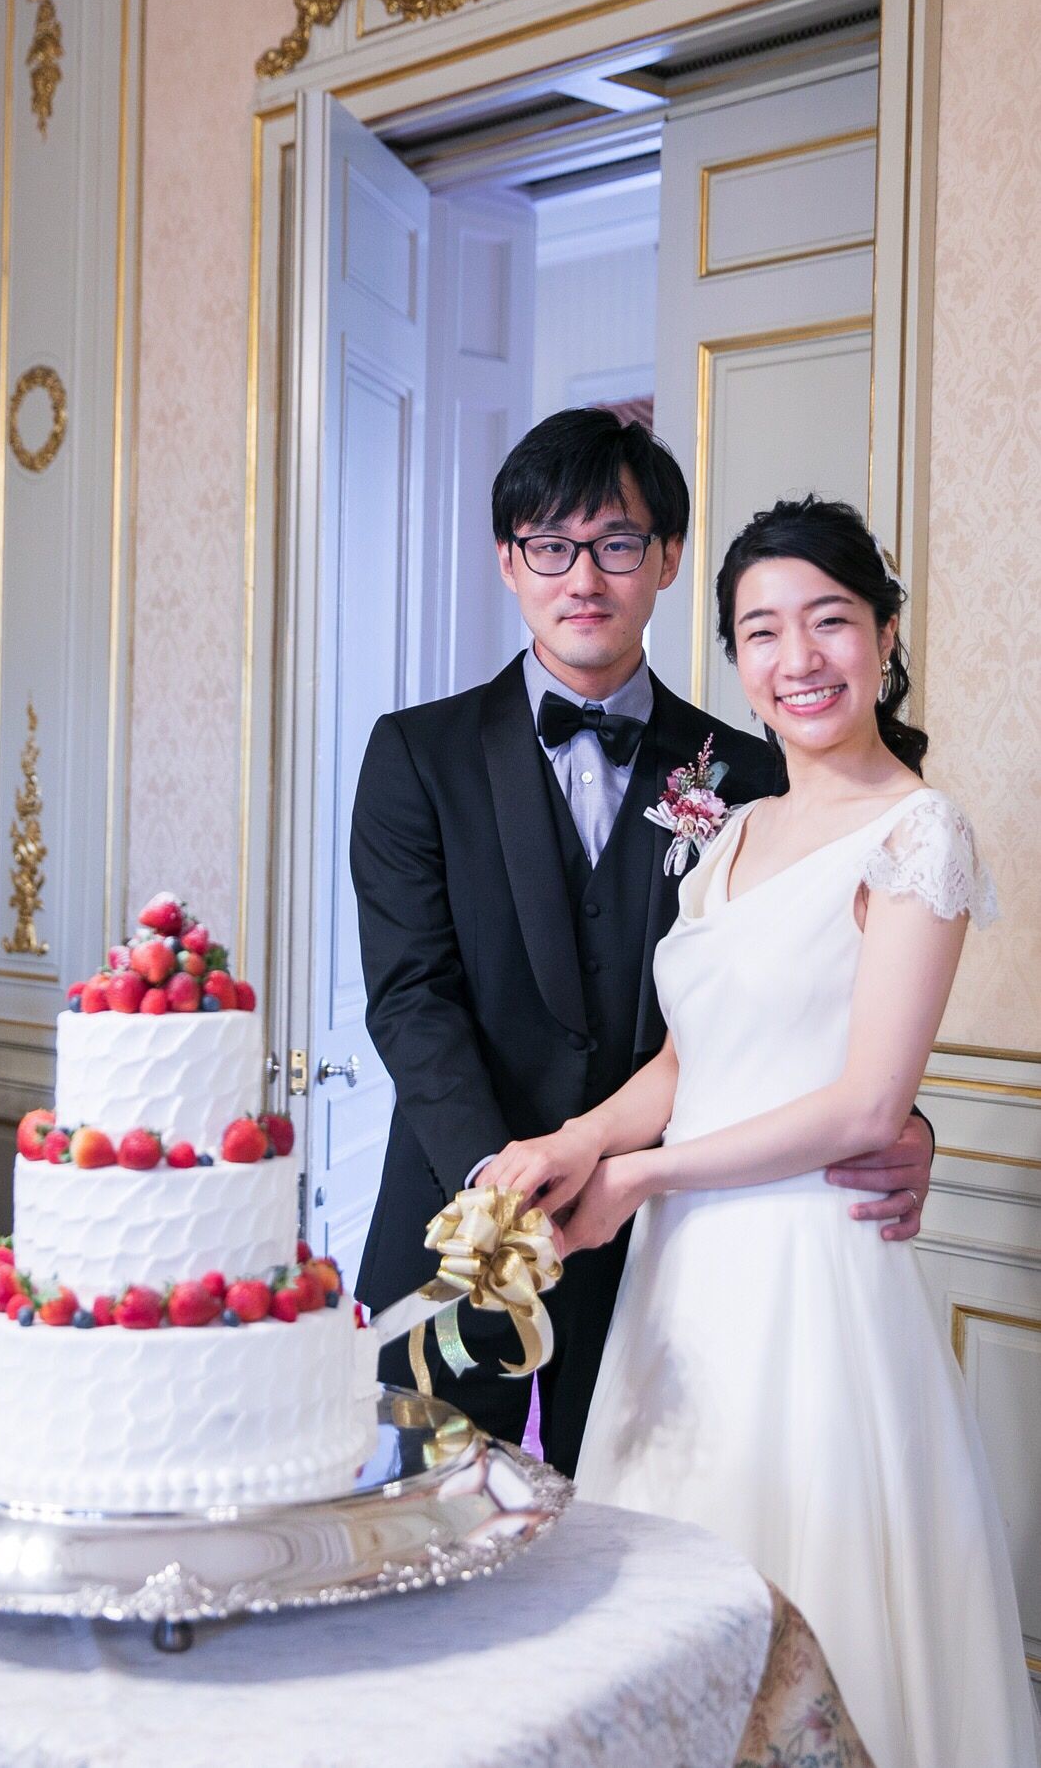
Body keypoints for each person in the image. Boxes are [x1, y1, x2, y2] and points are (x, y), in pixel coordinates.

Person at [481, 495, 1040, 1767]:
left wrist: (638, 1174)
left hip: (810, 1277)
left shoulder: (918, 831)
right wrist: (577, 1143)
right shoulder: (731, 826)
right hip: (682, 1282)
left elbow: (863, 1105)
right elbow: (690, 1059)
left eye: (828, 621)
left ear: (883, 635)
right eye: (761, 631)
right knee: (667, 1619)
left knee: (806, 1603)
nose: (798, 658)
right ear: (734, 655)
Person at [351, 409, 934, 1479]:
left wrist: (902, 1122)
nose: (584, 577)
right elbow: (409, 996)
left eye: (616, 543)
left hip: (668, 1241)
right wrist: (498, 1187)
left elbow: (803, 985)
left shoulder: (750, 770)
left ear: (665, 559)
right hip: (455, 1218)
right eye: (550, 545)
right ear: (507, 561)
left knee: (638, 1550)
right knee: (418, 1537)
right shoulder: (415, 755)